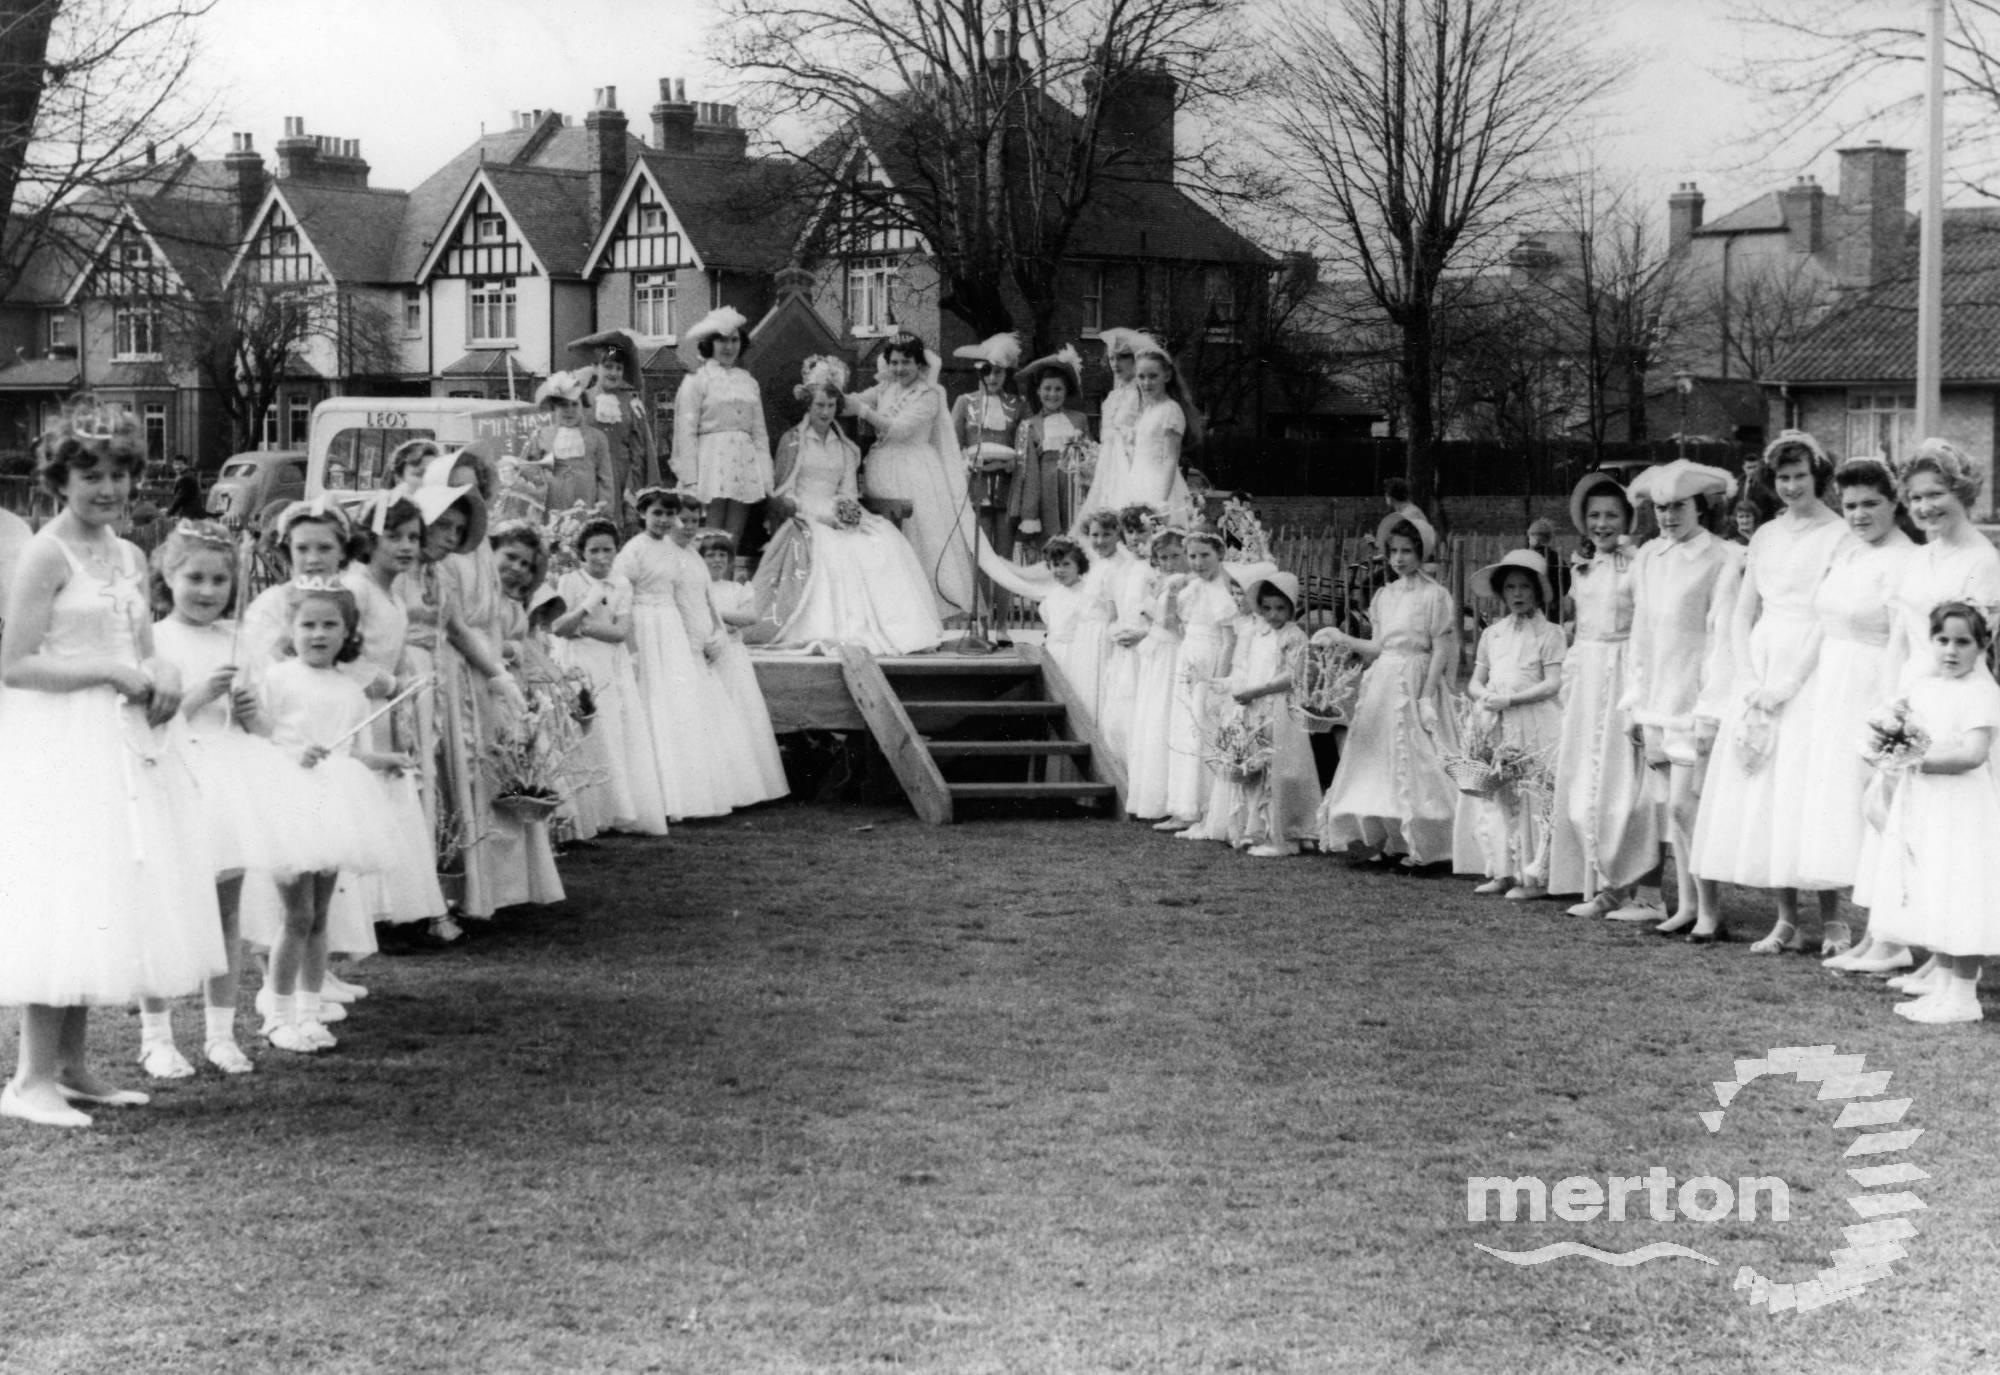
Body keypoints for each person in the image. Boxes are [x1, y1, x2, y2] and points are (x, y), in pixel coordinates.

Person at [0, 402, 224, 1127]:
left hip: (125, 741)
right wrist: (108, 671)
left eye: (120, 473)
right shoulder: (46, 551)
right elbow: (17, 665)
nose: (107, 488)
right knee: (64, 893)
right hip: (62, 740)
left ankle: (71, 1065)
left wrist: (160, 675)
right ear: (59, 478)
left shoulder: (127, 554)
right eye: (89, 474)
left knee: (104, 890)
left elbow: (144, 647)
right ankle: (30, 1077)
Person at [138, 521, 306, 1078]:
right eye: (195, 578)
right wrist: (197, 694)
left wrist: (253, 712)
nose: (207, 591)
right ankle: (156, 1035)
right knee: (162, 907)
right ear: (168, 574)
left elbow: (261, 728)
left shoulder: (239, 641)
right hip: (173, 777)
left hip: (228, 782)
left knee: (225, 910)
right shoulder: (154, 640)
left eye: (218, 580)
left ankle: (219, 1031)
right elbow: (146, 724)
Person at [1836, 438, 2000, 978]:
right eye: (1916, 497)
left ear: (1962, 492)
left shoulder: (1983, 561)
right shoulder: (1920, 556)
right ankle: (1901, 938)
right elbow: (1901, 640)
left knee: (1944, 833)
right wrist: (1889, 709)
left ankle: (1944, 955)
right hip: (1909, 693)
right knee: (1893, 817)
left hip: (1952, 701)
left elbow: (1970, 645)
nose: (1925, 507)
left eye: (1937, 494)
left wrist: (1919, 712)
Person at [1689, 432, 1850, 950]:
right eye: (1783, 477)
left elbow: (1829, 615)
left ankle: (1832, 922)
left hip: (1812, 663)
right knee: (1770, 789)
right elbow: (1742, 612)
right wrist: (1752, 678)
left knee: (1809, 787)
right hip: (1761, 660)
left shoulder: (1839, 534)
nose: (1791, 485)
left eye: (1801, 475)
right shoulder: (1765, 536)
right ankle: (1786, 920)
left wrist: (1789, 683)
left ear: (1818, 477)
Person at [256, 580, 401, 1053]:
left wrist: (388, 760)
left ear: (347, 632)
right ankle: (276, 1015)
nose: (318, 634)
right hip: (290, 800)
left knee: (319, 916)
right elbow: (259, 742)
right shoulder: (277, 680)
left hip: (334, 805)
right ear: (290, 629)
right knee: (294, 915)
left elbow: (356, 753)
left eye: (329, 625)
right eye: (307, 624)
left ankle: (309, 1009)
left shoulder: (350, 691)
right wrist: (295, 755)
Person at [1784, 457, 1915, 962]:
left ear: (1894, 503)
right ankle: (1871, 934)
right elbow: (1824, 622)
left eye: (1870, 504)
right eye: (1850, 505)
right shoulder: (1849, 552)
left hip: (1873, 689)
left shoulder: (1904, 560)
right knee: (1840, 812)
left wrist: (1888, 714)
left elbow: (1903, 645)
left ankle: (1890, 938)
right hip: (1831, 690)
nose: (1859, 515)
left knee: (1876, 810)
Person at [1617, 459, 1744, 941]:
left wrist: (1711, 707)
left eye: (1679, 507)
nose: (1669, 517)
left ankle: (1711, 910)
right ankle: (1687, 905)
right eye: (1661, 508)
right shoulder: (1650, 556)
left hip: (1696, 698)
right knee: (1671, 810)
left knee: (1690, 808)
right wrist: (1634, 701)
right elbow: (1641, 634)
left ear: (1701, 507)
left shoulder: (1721, 558)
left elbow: (1722, 635)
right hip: (1656, 699)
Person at [1861, 602, 2000, 1024]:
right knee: (1932, 887)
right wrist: (1888, 753)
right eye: (1942, 640)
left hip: (1962, 805)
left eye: (1963, 642)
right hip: (1925, 803)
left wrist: (1916, 761)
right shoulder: (1923, 688)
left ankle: (1962, 994)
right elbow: (1900, 731)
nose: (1951, 651)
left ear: (1982, 646)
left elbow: (1973, 754)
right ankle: (1940, 987)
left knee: (1962, 891)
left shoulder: (1982, 692)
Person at [749, 357, 944, 655]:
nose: (825, 412)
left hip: (838, 512)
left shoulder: (845, 448)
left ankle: (895, 628)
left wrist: (845, 512)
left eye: (830, 406)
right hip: (804, 515)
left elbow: (849, 492)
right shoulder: (792, 442)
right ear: (808, 407)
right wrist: (817, 514)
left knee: (883, 542)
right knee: (832, 551)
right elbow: (785, 493)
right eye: (819, 406)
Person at [1312, 513, 1460, 867]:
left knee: (1416, 758)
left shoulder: (1435, 596)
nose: (1398, 559)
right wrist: (1341, 637)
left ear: (1421, 553)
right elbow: (1379, 646)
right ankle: (1390, 838)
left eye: (1407, 551)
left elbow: (1440, 649)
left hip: (1416, 677)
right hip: (1384, 678)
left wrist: (1426, 695)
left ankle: (1427, 844)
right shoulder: (1383, 596)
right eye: (1393, 551)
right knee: (1378, 761)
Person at [1547, 472, 1663, 918]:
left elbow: (1646, 628)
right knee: (1587, 783)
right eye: (1594, 515)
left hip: (1624, 674)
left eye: (1611, 514)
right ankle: (1608, 884)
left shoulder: (1638, 564)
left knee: (1628, 785)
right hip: (1589, 679)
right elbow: (1581, 631)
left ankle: (1649, 893)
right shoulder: (1584, 567)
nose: (1602, 523)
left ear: (1627, 517)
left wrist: (1638, 693)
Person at [1453, 550, 1567, 900]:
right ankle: (1502, 870)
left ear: (1537, 591)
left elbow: (1552, 683)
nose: (1517, 594)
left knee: (1532, 792)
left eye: (1524, 587)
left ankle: (1533, 876)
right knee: (1499, 792)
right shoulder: (1493, 635)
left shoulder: (1550, 633)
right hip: (1496, 721)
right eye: (1510, 588)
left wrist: (1513, 700)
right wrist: (1484, 696)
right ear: (1502, 594)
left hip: (1534, 720)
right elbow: (1475, 680)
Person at [617, 489, 734, 820]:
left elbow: (686, 595)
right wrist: (632, 646)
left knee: (675, 701)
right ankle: (649, 795)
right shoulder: (634, 549)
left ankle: (681, 792)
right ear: (643, 514)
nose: (664, 520)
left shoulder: (674, 551)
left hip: (668, 625)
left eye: (669, 515)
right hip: (642, 621)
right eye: (657, 514)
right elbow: (621, 595)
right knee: (649, 698)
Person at [846, 331, 979, 619]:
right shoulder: (885, 388)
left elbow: (899, 429)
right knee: (885, 536)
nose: (899, 369)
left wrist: (864, 411)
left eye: (906, 362)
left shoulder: (929, 395)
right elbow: (851, 401)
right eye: (893, 362)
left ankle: (925, 608)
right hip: (882, 468)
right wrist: (826, 384)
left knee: (918, 534)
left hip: (914, 469)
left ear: (919, 365)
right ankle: (891, 607)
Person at [551, 517, 669, 835]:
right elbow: (559, 628)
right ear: (582, 554)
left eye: (608, 550)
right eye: (594, 551)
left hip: (607, 664)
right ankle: (582, 813)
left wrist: (583, 626)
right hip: (576, 664)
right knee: (581, 731)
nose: (602, 557)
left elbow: (619, 632)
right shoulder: (569, 581)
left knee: (611, 732)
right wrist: (587, 606)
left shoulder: (622, 584)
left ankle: (613, 809)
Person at [1159, 528, 1238, 831]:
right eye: (1192, 556)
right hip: (1189, 654)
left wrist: (1218, 682)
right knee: (1184, 729)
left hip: (1210, 658)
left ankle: (1202, 806)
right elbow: (1170, 622)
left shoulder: (1220, 590)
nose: (1198, 562)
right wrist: (1172, 591)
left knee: (1201, 728)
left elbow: (1229, 640)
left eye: (1205, 555)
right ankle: (1183, 806)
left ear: (1220, 555)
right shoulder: (1193, 588)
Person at [673, 306, 773, 546]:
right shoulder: (696, 381)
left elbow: (759, 432)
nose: (729, 347)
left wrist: (766, 475)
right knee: (710, 533)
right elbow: (685, 432)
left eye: (734, 340)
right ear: (709, 344)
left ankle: (726, 582)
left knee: (733, 537)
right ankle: (708, 582)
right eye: (722, 340)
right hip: (711, 463)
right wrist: (690, 479)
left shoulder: (748, 382)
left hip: (744, 463)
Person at [951, 332, 1024, 619]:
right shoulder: (964, 402)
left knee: (1004, 557)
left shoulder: (1018, 405)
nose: (992, 378)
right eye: (987, 371)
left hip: (1006, 488)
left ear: (1006, 373)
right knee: (979, 556)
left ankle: (1003, 625)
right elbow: (953, 444)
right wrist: (966, 463)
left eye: (999, 372)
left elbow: (1022, 445)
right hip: (975, 487)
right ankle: (979, 621)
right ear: (979, 371)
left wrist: (1009, 464)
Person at [1124, 528, 1188, 820]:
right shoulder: (1161, 582)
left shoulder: (1184, 585)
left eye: (1175, 556)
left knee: (1165, 718)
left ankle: (1172, 800)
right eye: (1163, 557)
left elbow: (1174, 624)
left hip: (1172, 653)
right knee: (1150, 720)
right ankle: (1150, 797)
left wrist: (1156, 608)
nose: (1169, 562)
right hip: (1156, 654)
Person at [1011, 348, 1088, 564]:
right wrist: (1029, 513)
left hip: (1075, 488)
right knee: (1050, 543)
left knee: (1076, 541)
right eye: (1047, 389)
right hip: (1046, 492)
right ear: (1037, 391)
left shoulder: (1079, 420)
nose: (1052, 394)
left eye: (1058, 389)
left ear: (1066, 392)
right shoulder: (1029, 425)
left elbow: (1090, 457)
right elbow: (1028, 473)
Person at [573, 328, 660, 512]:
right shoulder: (581, 400)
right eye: (608, 366)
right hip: (589, 477)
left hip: (622, 479)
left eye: (619, 368)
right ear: (596, 367)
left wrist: (632, 486)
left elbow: (639, 451)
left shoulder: (632, 404)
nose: (614, 373)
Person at [1074, 328, 1154, 526]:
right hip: (1109, 470)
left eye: (1122, 358)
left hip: (1135, 467)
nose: (1116, 364)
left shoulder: (1143, 393)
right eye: (1111, 359)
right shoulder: (1112, 397)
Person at [513, 372, 617, 519]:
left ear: (583, 407)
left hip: (586, 503)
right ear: (555, 408)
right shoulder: (541, 435)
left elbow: (605, 478)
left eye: (574, 405)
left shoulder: (597, 438)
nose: (569, 410)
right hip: (552, 504)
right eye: (563, 405)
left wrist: (604, 511)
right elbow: (529, 471)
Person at [1123, 345, 1198, 520]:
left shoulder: (1170, 410)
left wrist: (1161, 502)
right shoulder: (1148, 410)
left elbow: (1170, 459)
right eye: (1141, 377)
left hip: (1159, 485)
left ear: (1167, 375)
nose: (1146, 383)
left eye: (1153, 376)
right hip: (1138, 480)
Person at [165, 453, 203, 520]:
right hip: (190, 511)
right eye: (175, 464)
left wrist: (169, 513)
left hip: (190, 513)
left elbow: (181, 498)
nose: (177, 467)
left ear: (186, 465)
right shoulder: (183, 475)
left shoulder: (186, 478)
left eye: (180, 464)